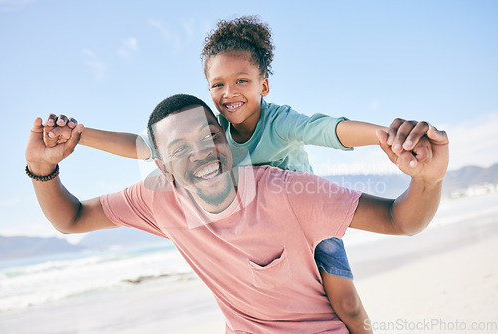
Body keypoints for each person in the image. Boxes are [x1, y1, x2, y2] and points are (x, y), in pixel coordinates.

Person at [46, 16, 433, 333]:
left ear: (264, 85)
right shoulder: (211, 129)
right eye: (218, 84)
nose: (230, 92)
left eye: (242, 81)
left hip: (309, 217)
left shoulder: (279, 122)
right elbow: (144, 146)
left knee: (346, 302)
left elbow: (328, 129)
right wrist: (79, 136)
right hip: (263, 227)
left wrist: (384, 136)